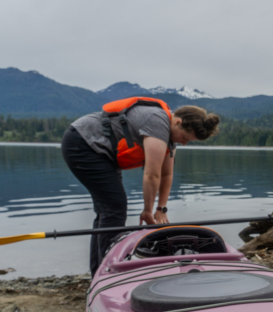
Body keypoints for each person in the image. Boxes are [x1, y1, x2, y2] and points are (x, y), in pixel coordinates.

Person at [61, 97, 220, 276]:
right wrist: (147, 211)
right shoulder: (157, 122)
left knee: (108, 210)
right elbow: (152, 174)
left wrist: (161, 209)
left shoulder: (170, 135)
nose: (184, 143)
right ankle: (106, 272)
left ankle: (98, 271)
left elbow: (167, 174)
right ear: (178, 122)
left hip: (102, 154)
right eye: (184, 138)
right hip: (84, 144)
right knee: (115, 207)